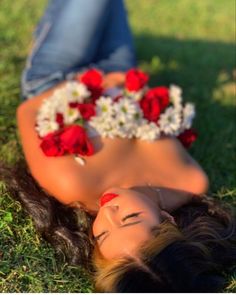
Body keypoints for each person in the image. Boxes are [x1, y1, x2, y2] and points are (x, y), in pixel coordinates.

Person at [1, 0, 235, 293]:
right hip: (120, 69)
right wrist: (119, 81)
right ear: (165, 219)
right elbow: (149, 106)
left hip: (56, 75)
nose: (108, 213)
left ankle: (50, 32)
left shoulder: (72, 183)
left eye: (102, 236)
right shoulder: (187, 180)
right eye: (129, 218)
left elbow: (28, 111)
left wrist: (101, 85)